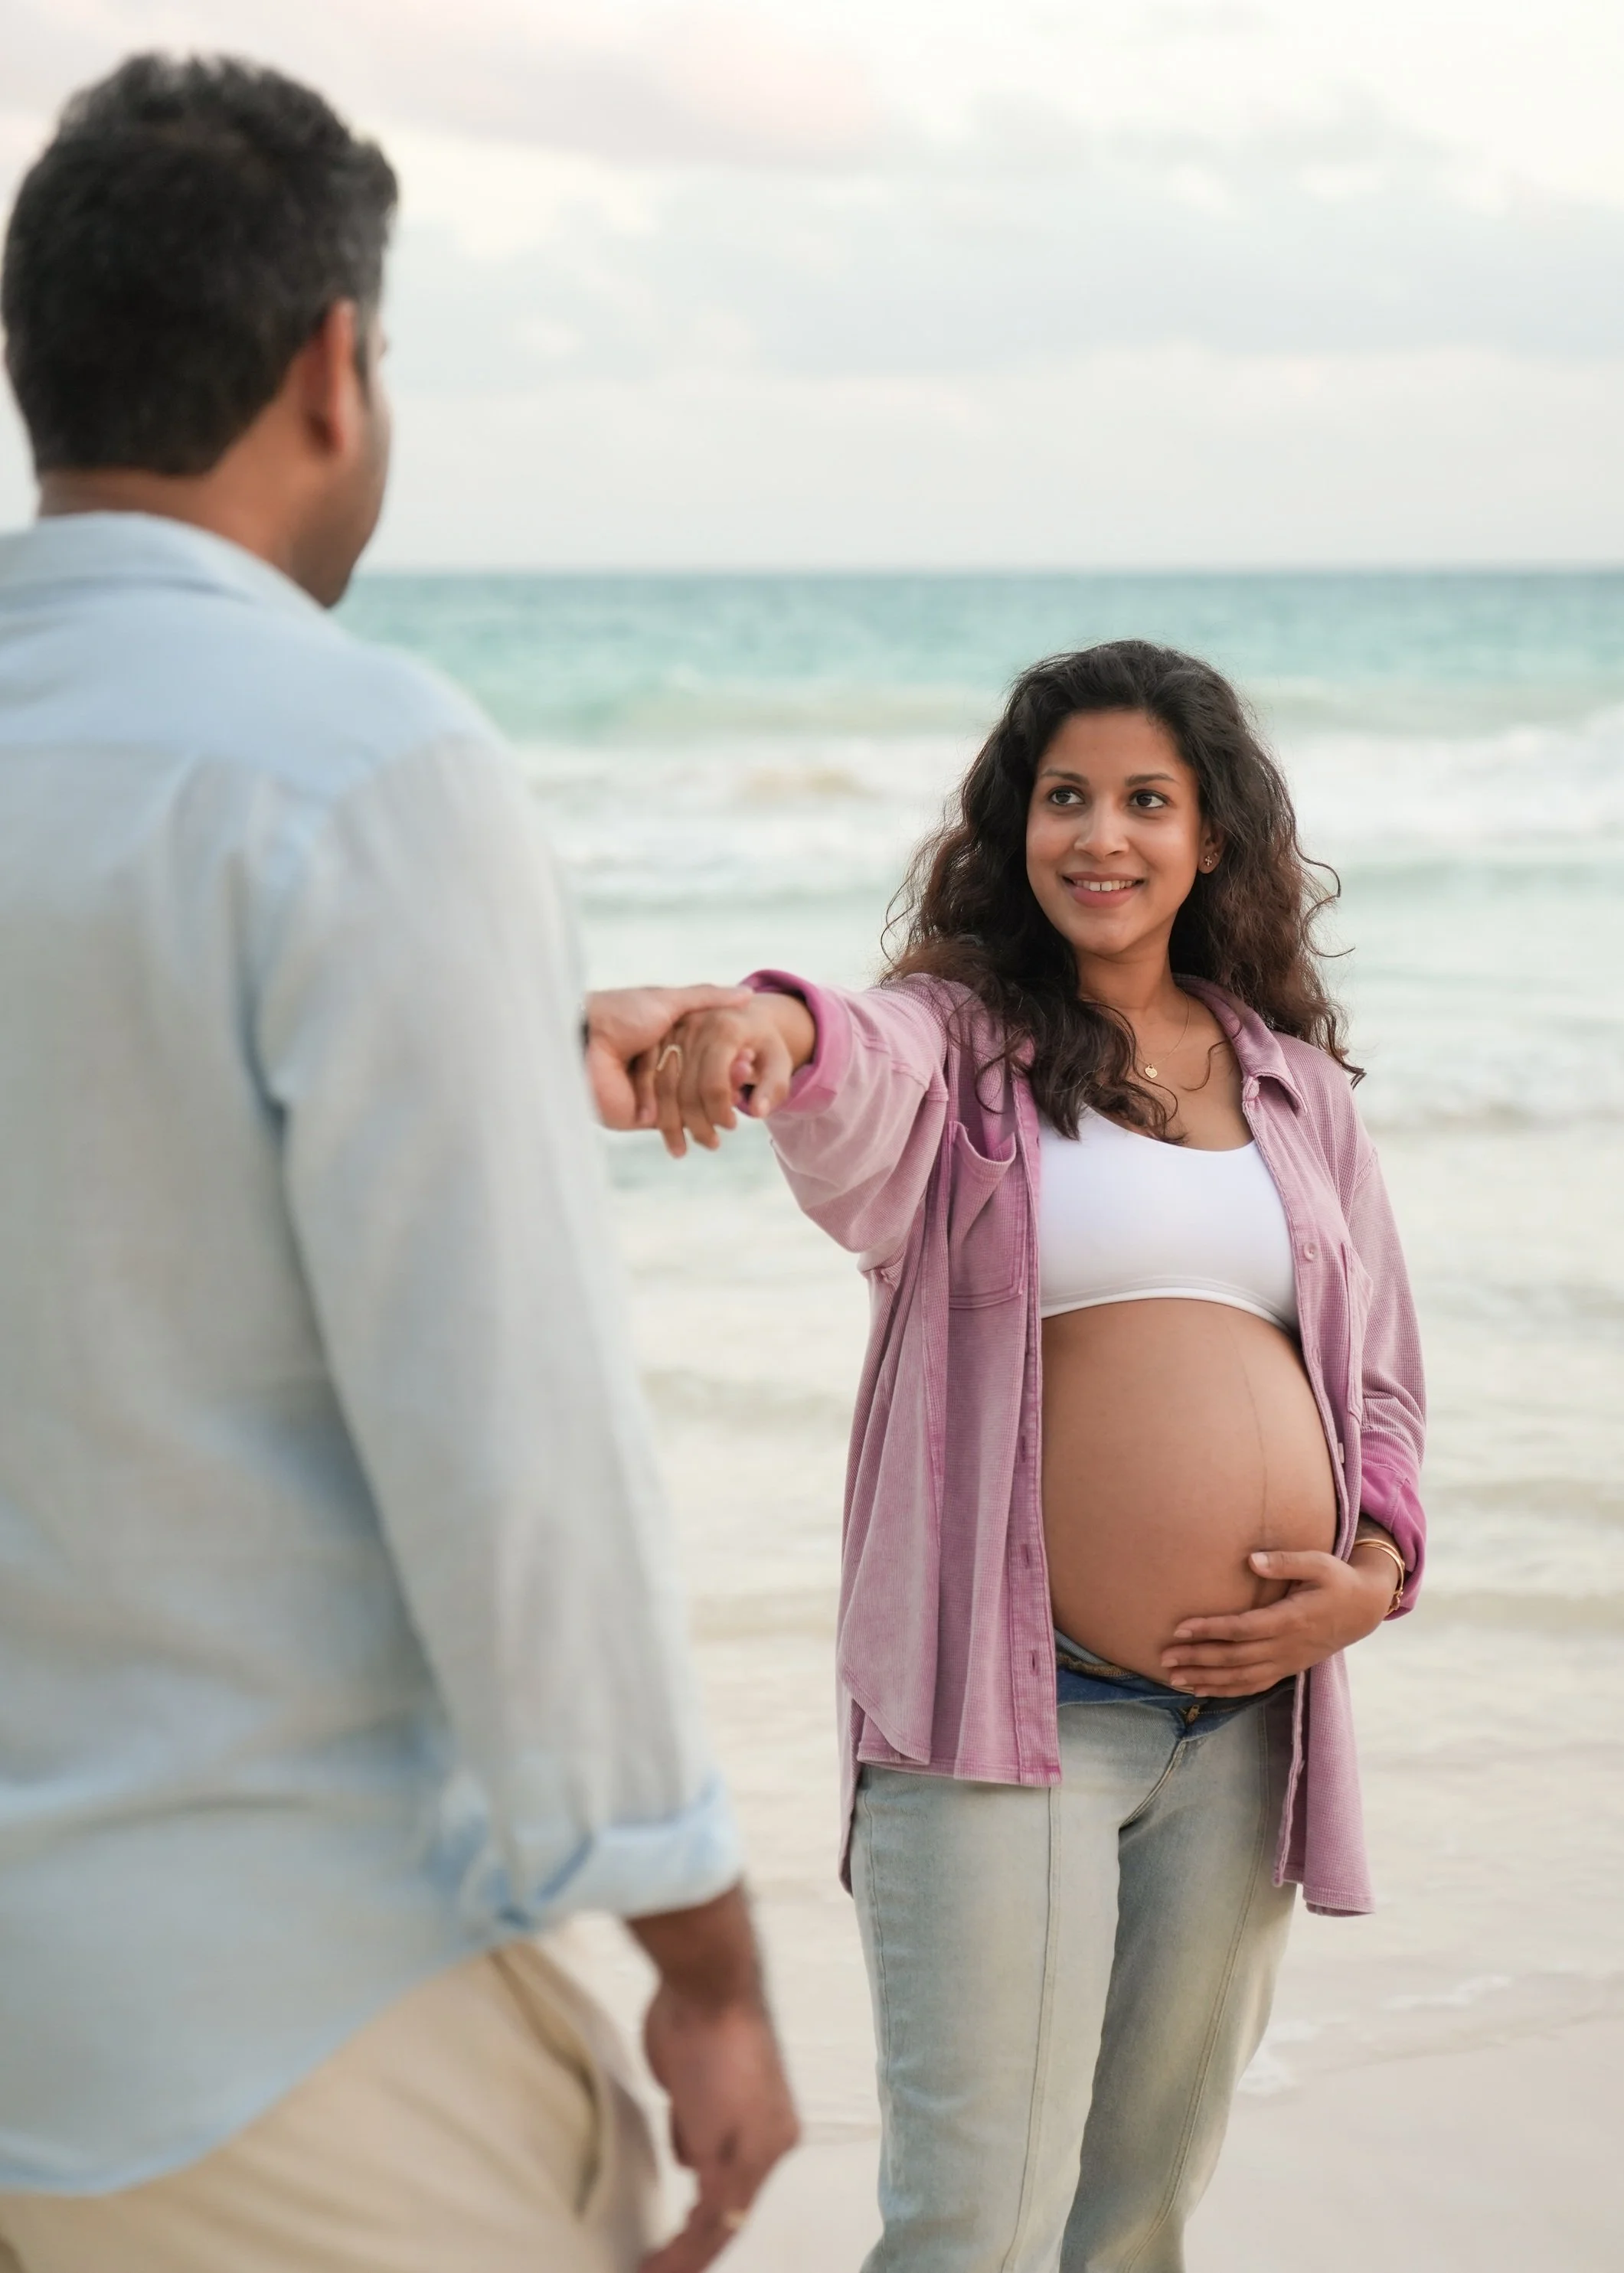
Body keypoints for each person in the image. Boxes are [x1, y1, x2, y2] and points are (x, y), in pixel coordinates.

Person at [0, 54, 794, 2273]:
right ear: (331, 366)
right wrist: (706, 1958)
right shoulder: (361, 771)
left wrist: (501, 1056)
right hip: (248, 2018)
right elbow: (518, 1463)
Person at [621, 642, 1426, 2271]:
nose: (1100, 835)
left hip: (1244, 1729)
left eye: (1145, 800)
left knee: (1132, 2224)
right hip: (1005, 1712)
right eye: (1065, 798)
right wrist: (769, 1022)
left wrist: (1372, 1574)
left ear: (1211, 836)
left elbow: (1384, 1385)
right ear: (1017, 827)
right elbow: (858, 1061)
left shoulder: (1294, 1089)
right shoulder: (964, 1047)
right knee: (968, 2229)